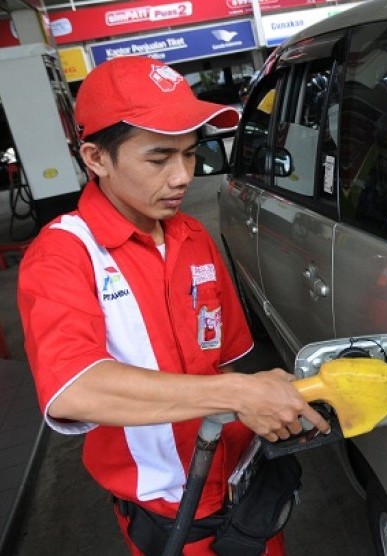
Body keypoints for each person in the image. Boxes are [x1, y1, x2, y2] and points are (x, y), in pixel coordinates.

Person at [17, 56, 330, 555]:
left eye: (190, 154)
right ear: (96, 158)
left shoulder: (191, 235)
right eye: (159, 159)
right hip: (174, 515)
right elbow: (73, 389)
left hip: (245, 488)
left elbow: (224, 356)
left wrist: (259, 397)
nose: (183, 176)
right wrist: (237, 393)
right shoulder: (64, 253)